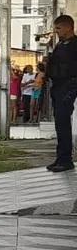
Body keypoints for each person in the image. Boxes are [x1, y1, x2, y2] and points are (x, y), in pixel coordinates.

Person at [46, 15, 77, 172]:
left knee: (63, 121)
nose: (56, 31)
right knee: (60, 122)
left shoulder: (74, 45)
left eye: (59, 28)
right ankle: (61, 158)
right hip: (58, 86)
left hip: (69, 86)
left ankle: (65, 160)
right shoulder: (59, 45)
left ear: (68, 27)